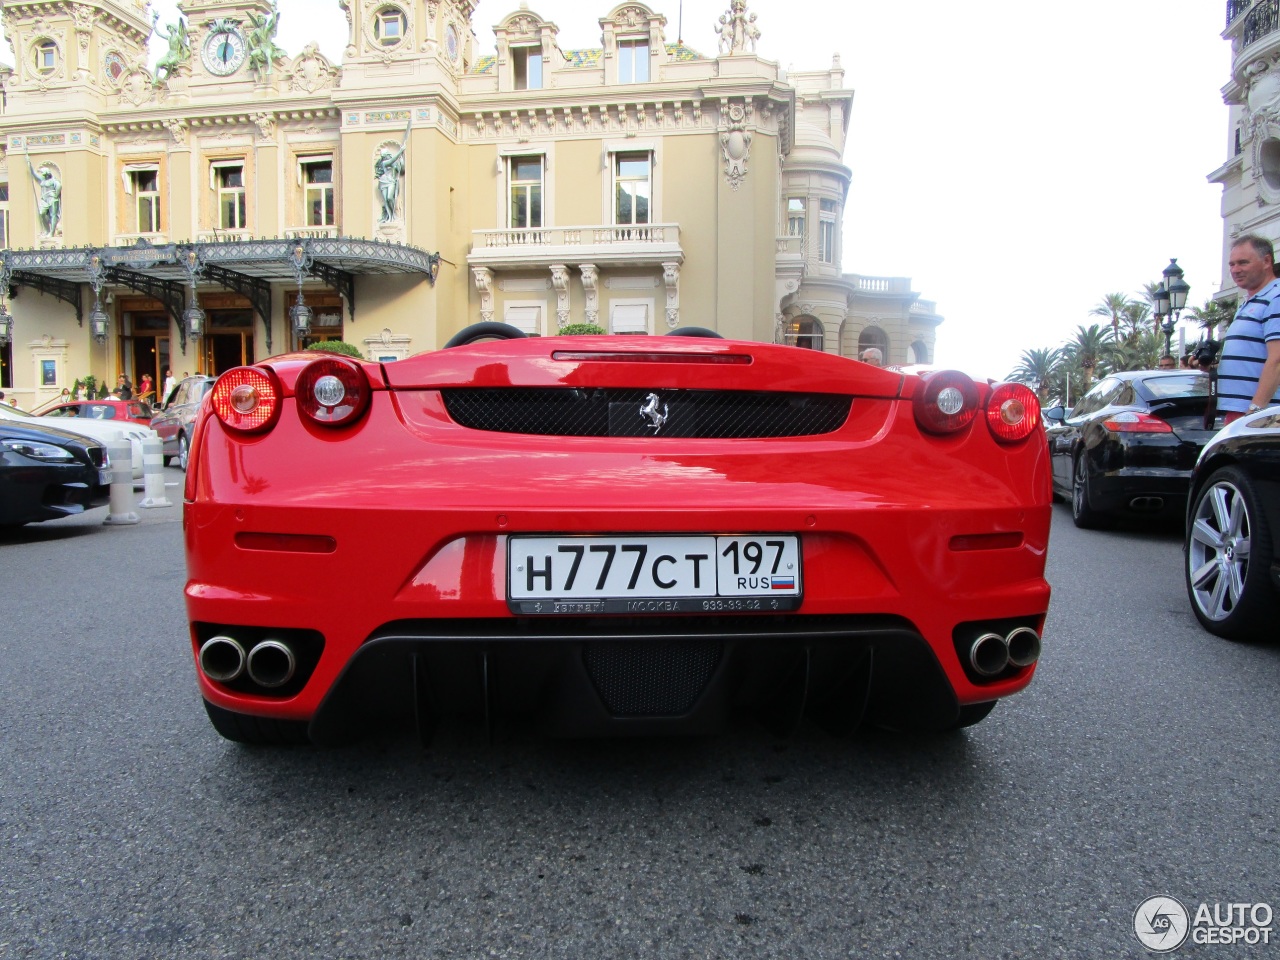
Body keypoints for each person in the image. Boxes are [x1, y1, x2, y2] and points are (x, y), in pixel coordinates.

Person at [1218, 234, 1280, 424]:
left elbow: (1277, 359)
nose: (1235, 270)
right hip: (1243, 413)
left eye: (1243, 263)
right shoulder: (1251, 301)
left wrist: (1255, 412)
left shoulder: (1276, 298)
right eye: (1232, 264)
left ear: (1266, 261)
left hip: (1261, 416)